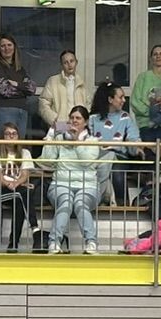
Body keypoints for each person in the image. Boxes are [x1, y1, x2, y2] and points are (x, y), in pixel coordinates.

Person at [43, 106, 108, 254]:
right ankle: (54, 243)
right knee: (66, 202)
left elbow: (85, 161)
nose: (74, 121)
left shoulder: (93, 141)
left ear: (85, 122)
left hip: (88, 185)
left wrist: (76, 141)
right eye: (72, 118)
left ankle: (91, 242)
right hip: (61, 183)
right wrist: (50, 135)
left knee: (80, 203)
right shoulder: (60, 138)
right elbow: (47, 160)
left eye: (78, 118)